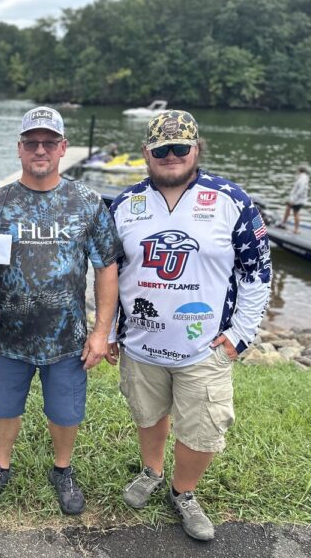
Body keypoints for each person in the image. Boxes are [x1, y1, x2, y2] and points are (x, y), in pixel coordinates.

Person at [109, 110, 271, 541]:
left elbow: (258, 272)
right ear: (146, 152)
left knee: (202, 429)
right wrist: (107, 332)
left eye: (181, 147)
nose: (172, 155)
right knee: (147, 414)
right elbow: (107, 275)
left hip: (204, 347)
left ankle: (184, 493)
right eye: (162, 148)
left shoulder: (232, 200)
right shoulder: (125, 204)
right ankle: (152, 471)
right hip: (141, 344)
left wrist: (239, 335)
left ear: (197, 149)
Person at [0, 106, 122, 515]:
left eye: (48, 143)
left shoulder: (87, 202)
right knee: (3, 406)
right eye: (31, 142)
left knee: (66, 410)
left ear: (62, 148)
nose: (40, 150)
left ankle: (62, 469)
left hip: (67, 336)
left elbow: (106, 267)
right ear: (19, 148)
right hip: (8, 334)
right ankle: (1, 466)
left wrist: (101, 332)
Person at [277, 165, 309, 233]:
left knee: (295, 213)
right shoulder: (303, 177)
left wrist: (294, 199)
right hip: (296, 199)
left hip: (298, 200)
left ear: (299, 171)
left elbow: (301, 189)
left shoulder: (302, 179)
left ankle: (296, 230)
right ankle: (283, 223)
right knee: (288, 208)